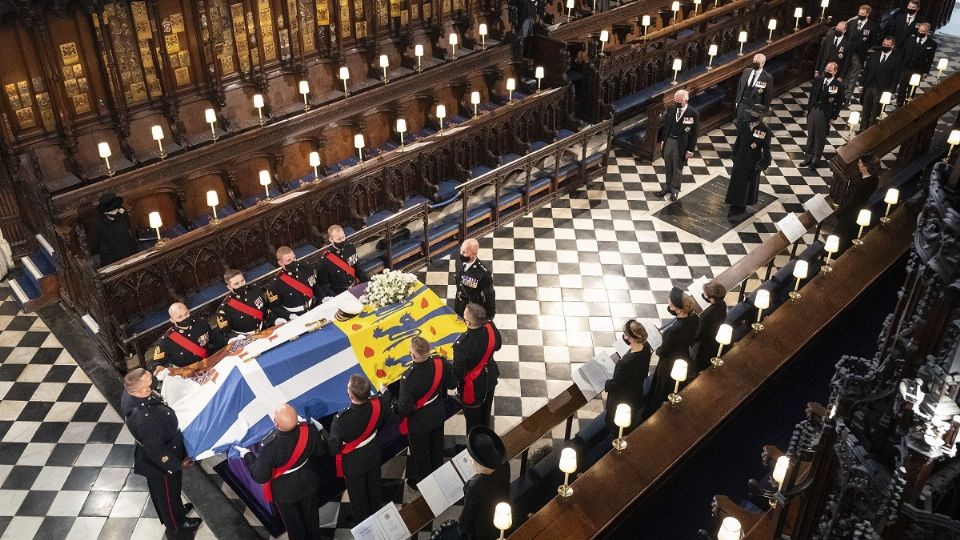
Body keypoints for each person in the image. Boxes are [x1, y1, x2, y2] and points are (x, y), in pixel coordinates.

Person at [120, 368, 201, 535]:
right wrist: (177, 464)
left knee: (171, 492)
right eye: (151, 382)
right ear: (142, 389)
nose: (155, 381)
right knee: (167, 496)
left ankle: (176, 510)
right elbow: (156, 450)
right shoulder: (147, 418)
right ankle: (177, 525)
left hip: (160, 448)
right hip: (160, 465)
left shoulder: (130, 392)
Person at [239, 404, 326, 540]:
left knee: (295, 527)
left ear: (276, 424)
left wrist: (247, 456)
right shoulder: (309, 429)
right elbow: (321, 451)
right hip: (309, 482)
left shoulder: (268, 447)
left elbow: (260, 476)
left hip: (285, 493)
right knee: (312, 521)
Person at [385, 336, 456, 486]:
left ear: (412, 355)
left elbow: (404, 409)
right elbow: (451, 384)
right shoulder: (440, 363)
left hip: (419, 423)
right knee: (437, 447)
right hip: (438, 413)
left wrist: (389, 399)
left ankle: (426, 484)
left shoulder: (408, 379)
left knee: (421, 454)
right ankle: (439, 474)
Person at [328, 375, 385, 523]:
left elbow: (334, 448)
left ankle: (364, 525)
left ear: (351, 395)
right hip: (373, 453)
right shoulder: (377, 404)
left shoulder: (341, 419)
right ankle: (378, 516)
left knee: (358, 496)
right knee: (374, 488)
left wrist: (323, 433)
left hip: (354, 464)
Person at [643, 288, 699, 418]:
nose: (668, 306)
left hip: (668, 364)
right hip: (683, 356)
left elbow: (663, 352)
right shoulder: (694, 317)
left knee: (662, 390)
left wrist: (658, 348)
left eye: (670, 305)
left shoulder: (673, 331)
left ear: (678, 309)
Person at [453, 303, 502, 434]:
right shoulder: (490, 327)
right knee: (485, 415)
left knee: (473, 423)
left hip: (473, 388)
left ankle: (475, 445)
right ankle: (486, 437)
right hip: (490, 377)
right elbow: (497, 346)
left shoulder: (461, 345)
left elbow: (459, 373)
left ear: (468, 322)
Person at [458, 426, 510, 540]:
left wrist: (460, 529)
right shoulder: (504, 465)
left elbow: (467, 518)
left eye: (471, 458)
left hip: (481, 530)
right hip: (498, 517)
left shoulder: (475, 486)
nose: (469, 460)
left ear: (480, 464)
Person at [725, 104, 773, 219]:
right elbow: (738, 141)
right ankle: (733, 202)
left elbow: (766, 149)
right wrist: (734, 155)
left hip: (752, 160)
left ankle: (741, 206)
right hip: (740, 157)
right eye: (752, 113)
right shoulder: (744, 124)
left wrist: (762, 164)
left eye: (755, 115)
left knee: (746, 184)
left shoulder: (764, 129)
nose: (752, 116)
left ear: (760, 117)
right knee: (736, 181)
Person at [604, 320, 651, 433]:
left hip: (621, 398)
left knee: (615, 424)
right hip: (635, 392)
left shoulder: (625, 362)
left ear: (631, 339)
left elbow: (616, 384)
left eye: (625, 335)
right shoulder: (646, 347)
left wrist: (606, 384)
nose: (623, 337)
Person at [152, 302, 227, 368]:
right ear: (172, 320)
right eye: (179, 317)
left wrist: (229, 341)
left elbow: (214, 337)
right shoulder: (166, 341)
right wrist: (159, 368)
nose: (185, 318)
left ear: (188, 311)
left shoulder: (200, 323)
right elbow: (156, 362)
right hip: (187, 375)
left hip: (208, 364)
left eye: (186, 314)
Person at [655, 89, 699, 201]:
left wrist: (690, 150)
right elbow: (666, 126)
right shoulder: (672, 109)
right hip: (669, 140)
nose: (676, 102)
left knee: (677, 167)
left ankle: (675, 190)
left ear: (685, 100)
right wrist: (663, 141)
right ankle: (667, 187)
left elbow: (694, 134)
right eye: (675, 100)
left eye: (678, 101)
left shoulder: (693, 113)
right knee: (668, 165)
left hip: (681, 144)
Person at [833, 153, 881, 255]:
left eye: (860, 163)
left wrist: (839, 212)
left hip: (850, 216)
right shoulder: (870, 178)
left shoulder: (865, 184)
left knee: (840, 240)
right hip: (852, 211)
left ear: (865, 167)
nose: (858, 164)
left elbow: (853, 203)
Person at [800, 62, 844, 169]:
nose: (827, 72)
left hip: (825, 113)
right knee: (811, 135)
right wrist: (809, 109)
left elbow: (838, 103)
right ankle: (807, 158)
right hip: (813, 109)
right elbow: (812, 95)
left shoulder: (839, 85)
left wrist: (834, 117)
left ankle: (815, 160)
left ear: (835, 72)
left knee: (820, 138)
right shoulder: (818, 80)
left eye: (830, 71)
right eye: (826, 69)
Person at [215, 269, 275, 337]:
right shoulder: (225, 308)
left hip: (264, 330)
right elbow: (224, 333)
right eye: (236, 284)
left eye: (242, 280)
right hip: (244, 339)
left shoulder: (254, 290)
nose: (241, 285)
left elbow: (264, 309)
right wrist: (237, 337)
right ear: (229, 287)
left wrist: (275, 319)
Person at [266, 246, 319, 321]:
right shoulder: (275, 284)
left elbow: (315, 285)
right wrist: (289, 315)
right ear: (280, 263)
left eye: (294, 258)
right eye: (289, 260)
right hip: (295, 316)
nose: (293, 262)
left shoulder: (305, 268)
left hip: (313, 307)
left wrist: (322, 298)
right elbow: (274, 307)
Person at [860, 36, 902, 130]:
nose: (885, 46)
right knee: (865, 109)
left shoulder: (896, 60)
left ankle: (871, 130)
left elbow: (895, 77)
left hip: (882, 89)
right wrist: (862, 84)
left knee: (876, 111)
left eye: (887, 45)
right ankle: (862, 129)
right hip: (869, 86)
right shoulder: (874, 55)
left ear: (892, 46)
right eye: (884, 44)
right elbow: (866, 71)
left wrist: (891, 91)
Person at [316, 224, 366, 300]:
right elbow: (324, 284)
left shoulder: (350, 248)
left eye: (343, 237)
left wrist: (368, 283)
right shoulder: (325, 259)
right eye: (339, 239)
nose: (342, 241)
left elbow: (358, 269)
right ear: (331, 240)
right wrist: (335, 298)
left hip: (355, 288)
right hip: (340, 295)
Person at [690, 281, 729, 375]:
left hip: (703, 345)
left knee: (696, 365)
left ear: (711, 298)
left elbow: (698, 332)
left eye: (705, 294)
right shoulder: (723, 305)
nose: (703, 295)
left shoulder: (707, 315)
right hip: (713, 337)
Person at [896, 23, 938, 106]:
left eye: (923, 31)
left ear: (927, 32)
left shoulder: (932, 44)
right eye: (919, 31)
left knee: (912, 88)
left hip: (918, 70)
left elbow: (930, 59)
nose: (920, 33)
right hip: (906, 68)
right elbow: (903, 54)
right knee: (902, 87)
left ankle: (909, 104)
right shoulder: (910, 40)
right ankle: (899, 105)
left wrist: (925, 72)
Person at [844, 5, 879, 101]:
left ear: (868, 14)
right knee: (844, 74)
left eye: (863, 14)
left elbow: (873, 41)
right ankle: (840, 94)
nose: (860, 15)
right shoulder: (851, 23)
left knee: (853, 76)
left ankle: (847, 97)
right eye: (859, 13)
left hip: (859, 55)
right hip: (847, 53)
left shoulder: (872, 26)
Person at [455, 238, 496, 319]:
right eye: (461, 250)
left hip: (472, 308)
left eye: (465, 252)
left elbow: (489, 296)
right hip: (459, 303)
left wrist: (490, 315)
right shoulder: (459, 260)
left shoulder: (483, 274)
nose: (461, 254)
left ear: (474, 254)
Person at [92, 192, 136, 267]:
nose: (115, 211)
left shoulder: (122, 211)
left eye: (116, 208)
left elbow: (128, 227)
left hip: (127, 248)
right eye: (112, 210)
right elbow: (94, 241)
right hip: (110, 256)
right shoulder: (97, 221)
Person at [734, 54, 773, 127]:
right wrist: (737, 102)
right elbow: (740, 87)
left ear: (763, 63)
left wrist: (763, 112)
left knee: (749, 128)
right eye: (754, 61)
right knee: (739, 125)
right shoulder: (746, 71)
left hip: (754, 107)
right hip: (741, 104)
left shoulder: (767, 77)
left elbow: (768, 96)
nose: (755, 64)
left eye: (758, 62)